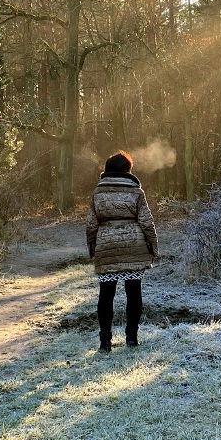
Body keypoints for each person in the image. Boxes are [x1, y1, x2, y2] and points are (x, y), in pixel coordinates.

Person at [85, 151, 158, 353]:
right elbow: (146, 221)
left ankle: (105, 343)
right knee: (134, 293)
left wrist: (93, 249)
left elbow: (91, 224)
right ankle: (132, 338)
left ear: (107, 169)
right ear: (128, 169)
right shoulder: (136, 192)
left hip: (106, 246)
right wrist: (153, 247)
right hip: (134, 246)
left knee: (106, 296)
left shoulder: (98, 192)